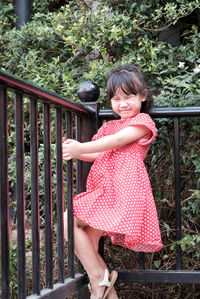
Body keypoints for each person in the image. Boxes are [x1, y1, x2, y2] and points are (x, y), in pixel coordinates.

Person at [62, 64, 163, 299]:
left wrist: (81, 146)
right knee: (83, 231)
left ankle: (98, 277)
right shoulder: (109, 125)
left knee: (71, 221)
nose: (123, 104)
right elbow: (97, 153)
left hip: (125, 192)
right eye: (116, 99)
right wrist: (73, 150)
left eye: (128, 97)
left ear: (143, 96)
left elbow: (116, 141)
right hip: (104, 190)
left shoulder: (143, 123)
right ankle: (104, 284)